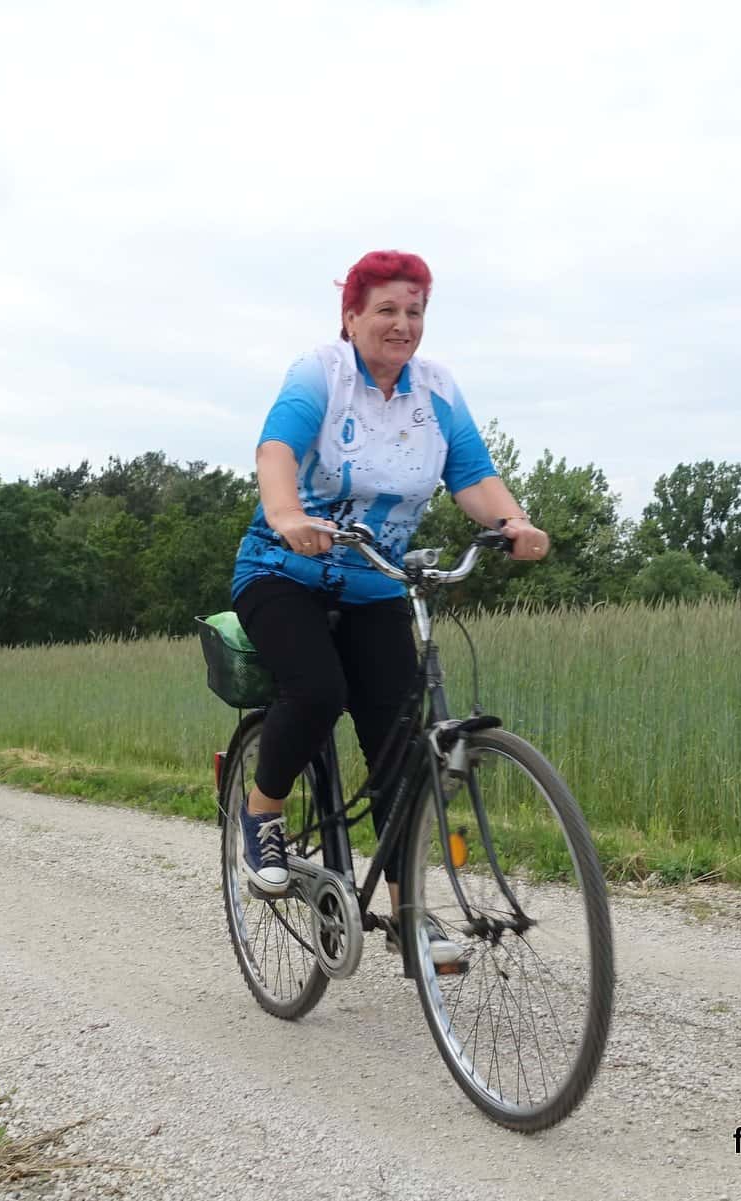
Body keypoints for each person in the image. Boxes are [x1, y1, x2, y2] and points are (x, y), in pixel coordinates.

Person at [230, 249, 551, 969]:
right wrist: (287, 515)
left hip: (375, 583)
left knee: (398, 745)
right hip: (283, 570)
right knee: (318, 690)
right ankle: (263, 812)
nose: (403, 324)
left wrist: (514, 522)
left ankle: (410, 911)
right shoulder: (321, 373)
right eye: (386, 310)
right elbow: (276, 450)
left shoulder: (436, 390)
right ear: (351, 318)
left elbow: (472, 475)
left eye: (415, 311)